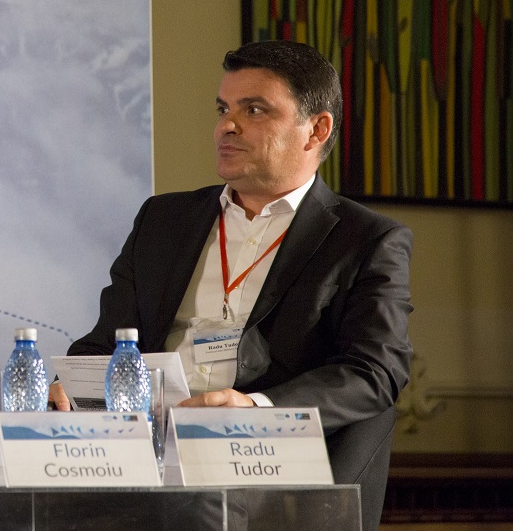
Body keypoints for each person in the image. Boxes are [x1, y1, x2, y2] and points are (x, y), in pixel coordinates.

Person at [50, 40, 413, 530]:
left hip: (260, 467)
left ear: (317, 129)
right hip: (145, 455)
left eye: (254, 110)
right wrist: (72, 387)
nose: (227, 125)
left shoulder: (365, 240)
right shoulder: (164, 219)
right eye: (223, 109)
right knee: (11, 499)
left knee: (197, 510)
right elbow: (106, 343)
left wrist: (256, 409)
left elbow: (376, 370)